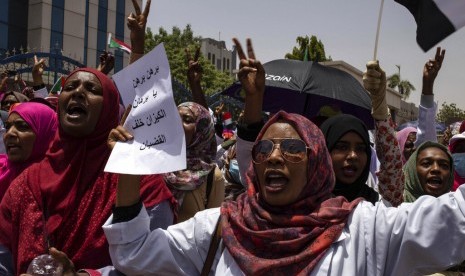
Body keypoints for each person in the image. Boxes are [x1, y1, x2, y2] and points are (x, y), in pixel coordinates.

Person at [99, 38, 465, 276]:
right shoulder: (218, 228)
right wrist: (130, 171)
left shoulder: (363, 229)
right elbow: (134, 254)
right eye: (264, 149)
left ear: (317, 166)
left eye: (292, 149)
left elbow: (454, 219)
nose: (274, 156)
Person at [0, 67, 169, 275]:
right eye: (69, 87)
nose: (78, 92)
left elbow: (157, 262)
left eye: (91, 89)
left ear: (108, 108)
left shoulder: (140, 182)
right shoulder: (25, 183)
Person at [396, 47, 446, 164]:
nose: (414, 148)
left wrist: (428, 83)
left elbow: (426, 131)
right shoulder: (391, 178)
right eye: (409, 145)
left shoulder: (422, 177)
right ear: (398, 147)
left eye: (416, 144)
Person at [0, 102, 57, 200]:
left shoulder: (57, 183)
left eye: (22, 126)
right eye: (8, 127)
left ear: (44, 133)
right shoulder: (2, 169)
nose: (9, 133)